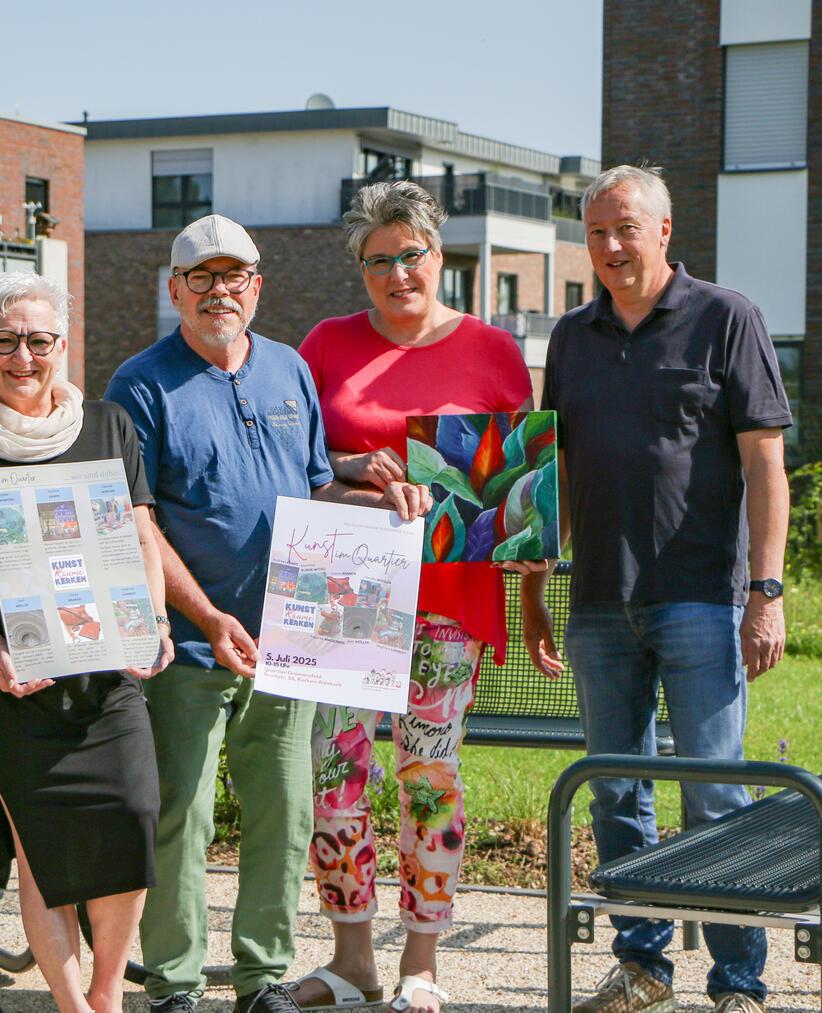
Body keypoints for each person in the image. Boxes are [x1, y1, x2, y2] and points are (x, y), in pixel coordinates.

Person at [105, 214, 428, 1013]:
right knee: (181, 815)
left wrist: (387, 502)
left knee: (285, 815)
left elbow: (316, 484)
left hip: (295, 640)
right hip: (188, 643)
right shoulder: (140, 384)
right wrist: (209, 616)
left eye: (234, 276)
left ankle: (260, 978)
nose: (218, 291)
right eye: (201, 277)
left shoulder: (289, 369)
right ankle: (175, 984)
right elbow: (136, 522)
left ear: (258, 287)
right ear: (174, 288)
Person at [520, 165, 790, 1013]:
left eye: (625, 228)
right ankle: (643, 966)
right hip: (599, 602)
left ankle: (738, 980)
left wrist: (767, 591)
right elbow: (557, 474)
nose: (610, 246)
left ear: (664, 231)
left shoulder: (727, 317)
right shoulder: (572, 337)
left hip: (702, 598)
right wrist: (535, 588)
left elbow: (766, 466)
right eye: (597, 232)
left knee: (715, 792)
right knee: (615, 792)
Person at [289, 180, 534, 1013]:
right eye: (378, 260)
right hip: (344, 587)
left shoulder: (494, 351)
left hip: (449, 595)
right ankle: (351, 960)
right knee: (335, 773)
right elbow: (293, 460)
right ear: (360, 268)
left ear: (439, 253)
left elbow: (520, 493)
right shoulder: (325, 345)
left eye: (412, 254)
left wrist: (530, 589)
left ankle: (420, 964)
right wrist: (349, 470)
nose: (397, 273)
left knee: (429, 773)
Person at [0, 272, 172, 1013]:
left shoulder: (107, 427)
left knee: (132, 818)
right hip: (9, 680)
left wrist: (153, 623)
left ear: (63, 346)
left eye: (38, 340)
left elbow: (142, 537)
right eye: (4, 340)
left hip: (107, 671)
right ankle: (72, 1006)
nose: (22, 357)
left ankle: (107, 994)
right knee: (42, 846)